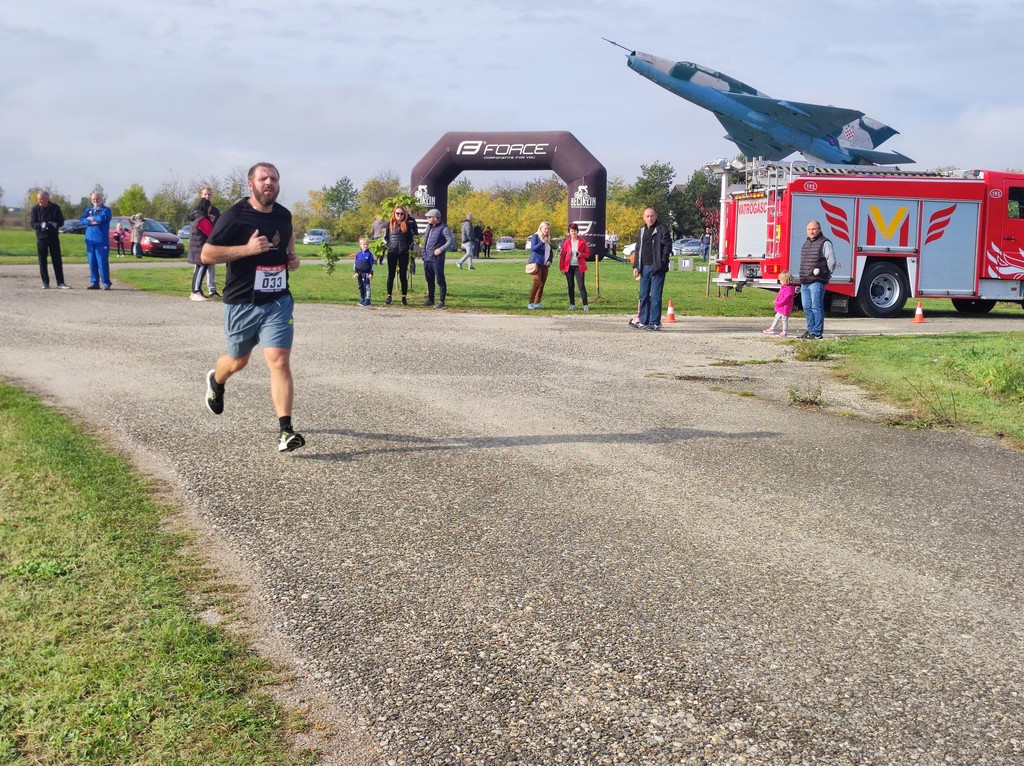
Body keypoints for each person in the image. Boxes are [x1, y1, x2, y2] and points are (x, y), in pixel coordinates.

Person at [200, 162, 305, 453]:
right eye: (263, 178)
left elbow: (288, 233)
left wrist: (291, 257)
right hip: (242, 303)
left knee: (279, 361)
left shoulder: (284, 215)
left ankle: (286, 431)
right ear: (251, 184)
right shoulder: (235, 216)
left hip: (277, 301)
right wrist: (246, 250)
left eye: (273, 178)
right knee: (237, 361)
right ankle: (216, 380)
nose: (268, 183)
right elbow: (207, 254)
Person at [631, 208, 672, 331]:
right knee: (643, 295)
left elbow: (667, 247)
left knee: (655, 295)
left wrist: (662, 263)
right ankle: (643, 320)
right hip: (644, 267)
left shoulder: (662, 229)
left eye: (652, 216)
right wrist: (636, 266)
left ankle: (655, 322)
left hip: (657, 268)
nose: (650, 218)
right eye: (647, 216)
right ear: (644, 217)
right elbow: (638, 249)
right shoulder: (642, 231)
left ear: (656, 216)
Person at [798, 220, 836, 340]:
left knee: (816, 307)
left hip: (816, 281)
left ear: (819, 229)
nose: (811, 231)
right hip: (805, 281)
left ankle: (817, 332)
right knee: (807, 307)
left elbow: (832, 261)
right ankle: (810, 330)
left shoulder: (824, 243)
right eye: (809, 229)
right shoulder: (806, 243)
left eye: (814, 229)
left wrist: (826, 275)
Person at [187, 187, 222, 301]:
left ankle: (198, 291)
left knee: (200, 269)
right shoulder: (202, 219)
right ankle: (196, 291)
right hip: (200, 247)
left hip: (198, 246)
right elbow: (211, 233)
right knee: (201, 268)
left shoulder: (197, 215)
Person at [30, 191, 69, 289]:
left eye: (42, 198)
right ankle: (45, 282)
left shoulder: (55, 208)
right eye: (38, 198)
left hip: (53, 238)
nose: (39, 200)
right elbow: (32, 223)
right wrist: (41, 225)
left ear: (47, 199)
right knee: (42, 261)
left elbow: (61, 222)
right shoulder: (35, 209)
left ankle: (60, 282)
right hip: (41, 238)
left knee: (57, 260)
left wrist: (52, 224)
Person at [419, 208, 455, 308]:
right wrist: (423, 252)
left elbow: (450, 241)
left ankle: (441, 302)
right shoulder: (429, 227)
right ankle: (430, 299)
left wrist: (441, 249)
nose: (427, 218)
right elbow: (425, 240)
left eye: (429, 217)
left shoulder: (444, 228)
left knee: (440, 280)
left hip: (437, 259)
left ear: (436, 218)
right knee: (429, 280)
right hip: (427, 258)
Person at [382, 204, 416, 306]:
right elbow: (384, 238)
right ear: (394, 214)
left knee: (403, 275)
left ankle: (404, 298)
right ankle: (389, 296)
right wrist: (389, 245)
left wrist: (407, 247)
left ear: (404, 214)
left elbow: (411, 239)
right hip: (392, 252)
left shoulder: (408, 225)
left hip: (403, 253)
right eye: (397, 213)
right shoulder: (389, 224)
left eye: (401, 213)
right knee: (391, 274)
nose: (399, 215)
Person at [80, 192, 112, 290]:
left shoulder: (106, 210)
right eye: (93, 199)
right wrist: (91, 222)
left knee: (102, 262)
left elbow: (103, 219)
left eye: (97, 199)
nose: (95, 201)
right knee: (92, 262)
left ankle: (106, 282)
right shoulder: (88, 210)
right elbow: (82, 219)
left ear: (101, 199)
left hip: (101, 241)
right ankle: (94, 282)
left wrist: (93, 218)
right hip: (90, 241)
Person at [559, 223, 590, 311]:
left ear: (577, 231)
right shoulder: (567, 242)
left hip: (579, 267)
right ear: (569, 232)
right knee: (570, 285)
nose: (573, 233)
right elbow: (562, 255)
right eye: (571, 231)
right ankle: (572, 304)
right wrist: (562, 267)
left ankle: (585, 305)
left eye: (575, 231)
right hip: (568, 267)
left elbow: (587, 254)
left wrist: (580, 255)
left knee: (581, 286)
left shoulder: (582, 242)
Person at [526, 220, 553, 310]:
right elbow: (533, 248)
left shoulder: (548, 239)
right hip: (536, 263)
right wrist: (542, 242)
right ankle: (530, 302)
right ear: (541, 228)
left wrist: (549, 260)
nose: (546, 230)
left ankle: (538, 302)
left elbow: (551, 252)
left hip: (545, 265)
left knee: (542, 284)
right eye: (545, 228)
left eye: (548, 229)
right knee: (537, 283)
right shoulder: (536, 237)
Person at [763, 270, 796, 338]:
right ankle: (772, 328)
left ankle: (784, 332)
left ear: (785, 281)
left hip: (785, 308)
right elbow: (779, 295)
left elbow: (785, 299)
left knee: (784, 320)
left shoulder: (789, 289)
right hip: (782, 307)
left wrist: (777, 303)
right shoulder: (784, 288)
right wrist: (776, 300)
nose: (780, 282)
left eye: (781, 280)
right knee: (777, 317)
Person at [353, 235, 374, 306]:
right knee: (360, 286)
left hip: (366, 273)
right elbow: (355, 264)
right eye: (364, 244)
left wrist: (371, 273)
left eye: (367, 244)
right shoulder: (358, 254)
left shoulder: (369, 254)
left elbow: (372, 265)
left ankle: (367, 300)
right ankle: (362, 298)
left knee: (366, 286)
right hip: (359, 273)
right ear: (360, 245)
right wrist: (355, 272)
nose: (365, 246)